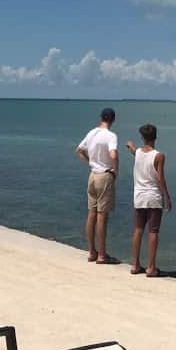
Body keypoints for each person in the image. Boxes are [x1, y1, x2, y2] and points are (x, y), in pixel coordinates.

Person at [126, 124, 172, 277]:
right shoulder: (159, 156)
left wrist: (130, 145)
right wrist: (167, 196)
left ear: (143, 138)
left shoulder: (138, 152)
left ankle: (135, 264)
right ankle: (151, 267)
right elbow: (161, 179)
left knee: (138, 229)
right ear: (155, 137)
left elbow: (134, 150)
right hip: (153, 197)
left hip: (139, 196)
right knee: (153, 231)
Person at [75, 107, 118, 264]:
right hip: (104, 176)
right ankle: (102, 255)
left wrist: (90, 163)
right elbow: (113, 154)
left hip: (92, 175)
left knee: (91, 214)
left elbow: (79, 150)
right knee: (102, 216)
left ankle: (92, 251)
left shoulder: (91, 133)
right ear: (113, 119)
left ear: (101, 118)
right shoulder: (111, 136)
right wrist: (115, 170)